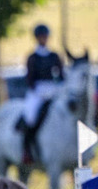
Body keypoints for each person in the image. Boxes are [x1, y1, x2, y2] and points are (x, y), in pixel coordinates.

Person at [19, 23, 65, 164]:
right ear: (37, 38)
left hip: (53, 90)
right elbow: (29, 78)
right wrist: (38, 91)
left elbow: (62, 75)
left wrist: (59, 87)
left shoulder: (54, 56)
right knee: (30, 116)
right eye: (41, 37)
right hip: (37, 91)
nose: (43, 39)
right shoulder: (32, 57)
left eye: (45, 37)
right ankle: (27, 150)